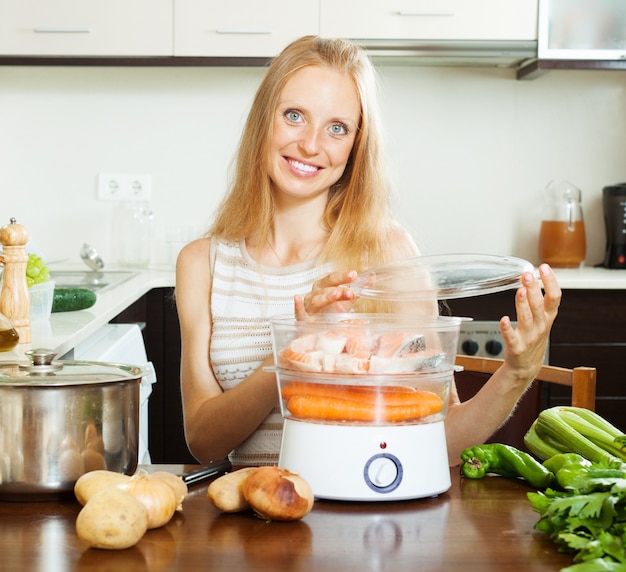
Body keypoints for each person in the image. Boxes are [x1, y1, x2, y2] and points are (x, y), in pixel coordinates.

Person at [176, 35, 561, 468]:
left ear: (356, 146)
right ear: (263, 118)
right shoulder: (202, 264)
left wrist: (516, 373)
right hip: (248, 515)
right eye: (294, 116)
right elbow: (203, 442)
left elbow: (441, 439)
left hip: (365, 521)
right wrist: (295, 348)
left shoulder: (388, 253)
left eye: (337, 128)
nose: (310, 144)